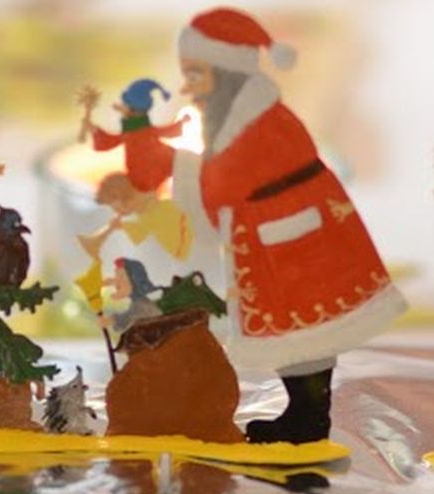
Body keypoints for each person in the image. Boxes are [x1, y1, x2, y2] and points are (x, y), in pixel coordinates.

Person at [163, 7, 407, 444]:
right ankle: (304, 413)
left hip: (296, 250)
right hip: (276, 243)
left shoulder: (263, 124)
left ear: (225, 72)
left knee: (306, 339)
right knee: (299, 341)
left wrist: (190, 168)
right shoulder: (237, 121)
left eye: (196, 74)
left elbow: (227, 186)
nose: (187, 86)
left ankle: (308, 418)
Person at [82, 78, 189, 193]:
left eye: (126, 106)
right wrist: (94, 129)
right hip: (138, 172)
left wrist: (181, 122)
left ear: (134, 111)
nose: (122, 108)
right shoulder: (130, 132)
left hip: (152, 168)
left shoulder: (141, 130)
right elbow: (110, 140)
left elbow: (166, 131)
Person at [95, 172, 193, 261]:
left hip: (184, 247)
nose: (117, 213)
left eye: (117, 209)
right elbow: (141, 232)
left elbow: (141, 232)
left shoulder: (154, 210)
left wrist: (122, 225)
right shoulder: (143, 213)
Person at [99, 258, 162, 333]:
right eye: (116, 276)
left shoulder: (142, 305)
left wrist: (112, 319)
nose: (116, 281)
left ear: (134, 280)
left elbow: (128, 317)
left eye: (121, 276)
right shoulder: (140, 303)